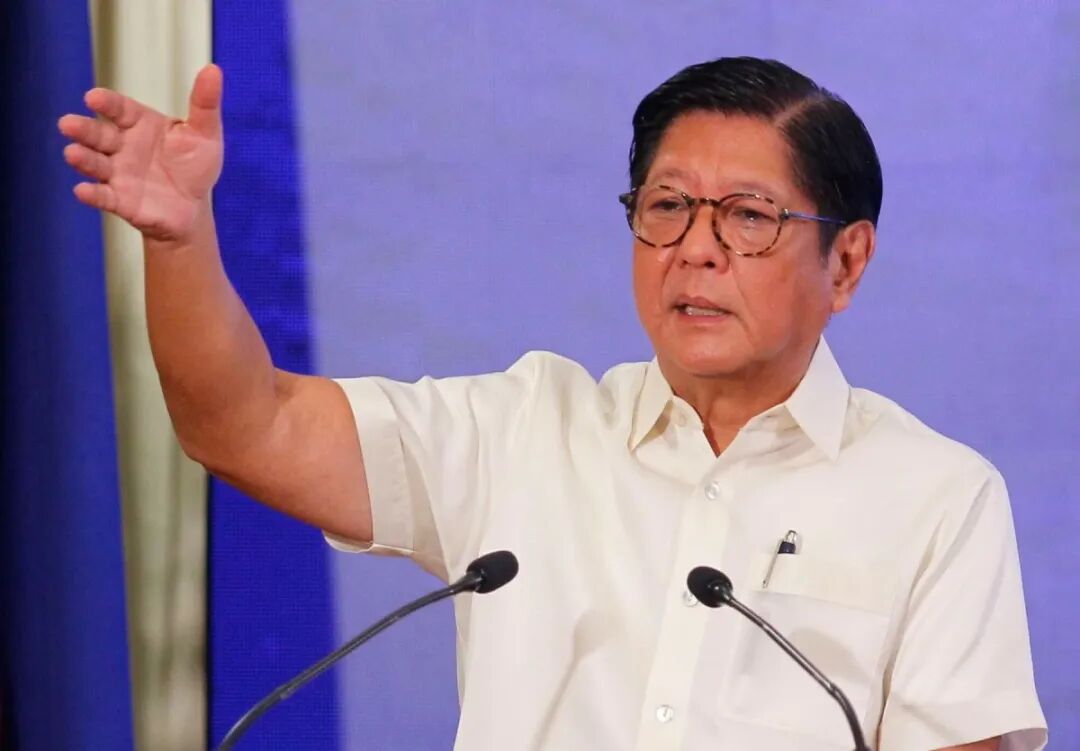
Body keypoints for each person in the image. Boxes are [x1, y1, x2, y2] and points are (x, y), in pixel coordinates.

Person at [59, 56, 1046, 750]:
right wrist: (181, 240)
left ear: (848, 260)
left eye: (748, 216)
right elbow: (244, 425)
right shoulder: (528, 430)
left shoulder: (935, 497)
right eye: (667, 207)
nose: (696, 250)